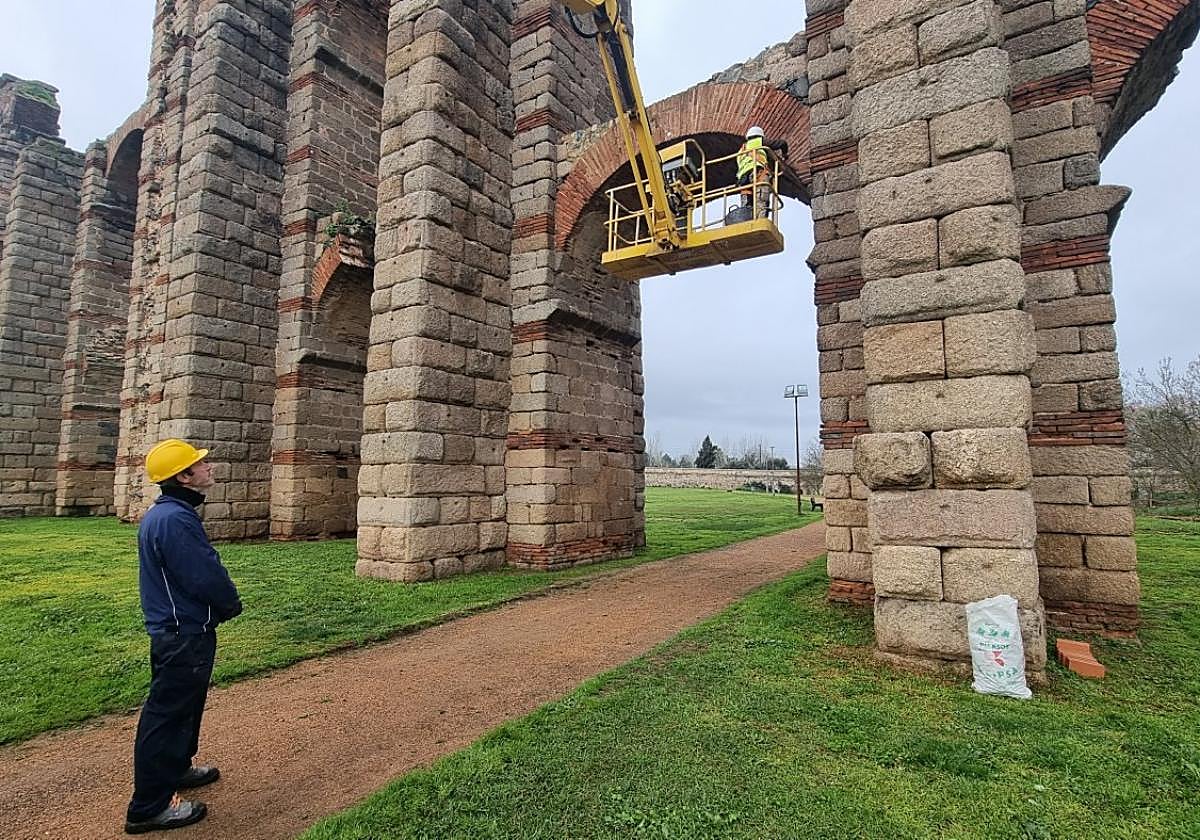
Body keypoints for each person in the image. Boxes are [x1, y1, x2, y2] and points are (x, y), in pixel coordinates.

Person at [124, 439, 243, 834]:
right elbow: (203, 574)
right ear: (184, 476)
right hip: (182, 632)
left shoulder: (170, 514)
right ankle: (149, 807)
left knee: (184, 707)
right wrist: (229, 603)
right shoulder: (175, 519)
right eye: (200, 464)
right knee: (168, 713)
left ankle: (176, 768)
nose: (208, 468)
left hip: (182, 629)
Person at [736, 125, 788, 219]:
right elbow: (781, 143)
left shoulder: (741, 151)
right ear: (759, 135)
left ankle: (746, 220)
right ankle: (760, 219)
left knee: (747, 204)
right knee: (761, 200)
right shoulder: (758, 141)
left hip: (743, 180)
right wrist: (785, 155)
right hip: (758, 174)